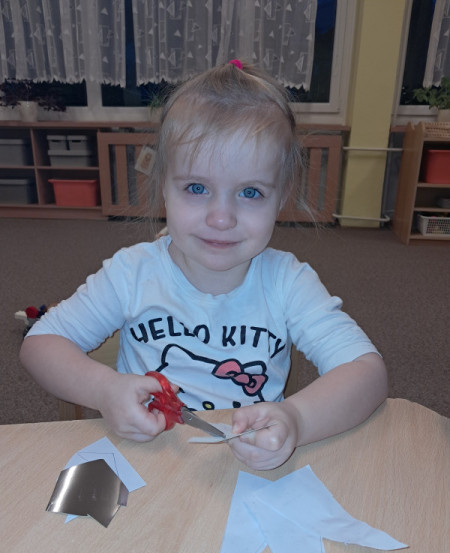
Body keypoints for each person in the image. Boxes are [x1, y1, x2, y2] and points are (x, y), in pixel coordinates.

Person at [20, 60, 387, 470]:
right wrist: (104, 389)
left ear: (281, 196)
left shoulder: (288, 282)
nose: (221, 218)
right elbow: (41, 343)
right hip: (148, 461)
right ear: (164, 185)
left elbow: (367, 372)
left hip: (251, 467)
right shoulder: (132, 273)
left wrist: (297, 419)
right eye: (197, 188)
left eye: (250, 192)